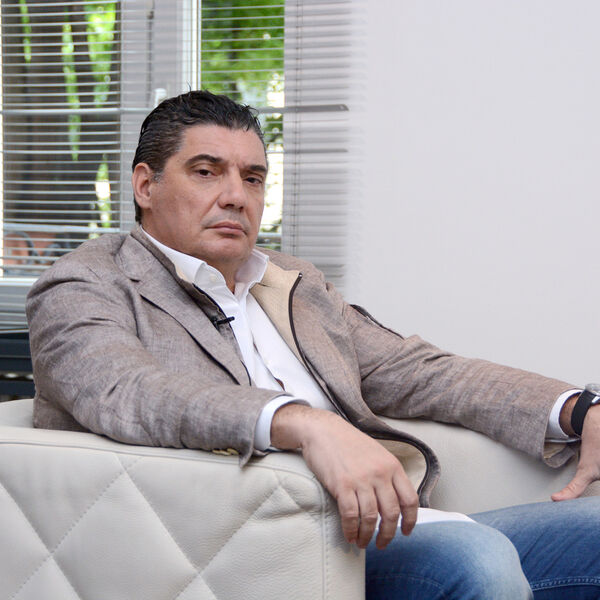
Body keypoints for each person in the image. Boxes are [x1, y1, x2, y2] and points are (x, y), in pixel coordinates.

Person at [26, 90, 600, 599]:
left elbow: (419, 371)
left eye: (253, 178)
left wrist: (578, 409)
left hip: (380, 529)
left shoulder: (291, 282)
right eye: (206, 172)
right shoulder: (85, 283)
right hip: (249, 551)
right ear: (145, 185)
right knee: (477, 560)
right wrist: (302, 422)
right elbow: (125, 391)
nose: (236, 196)